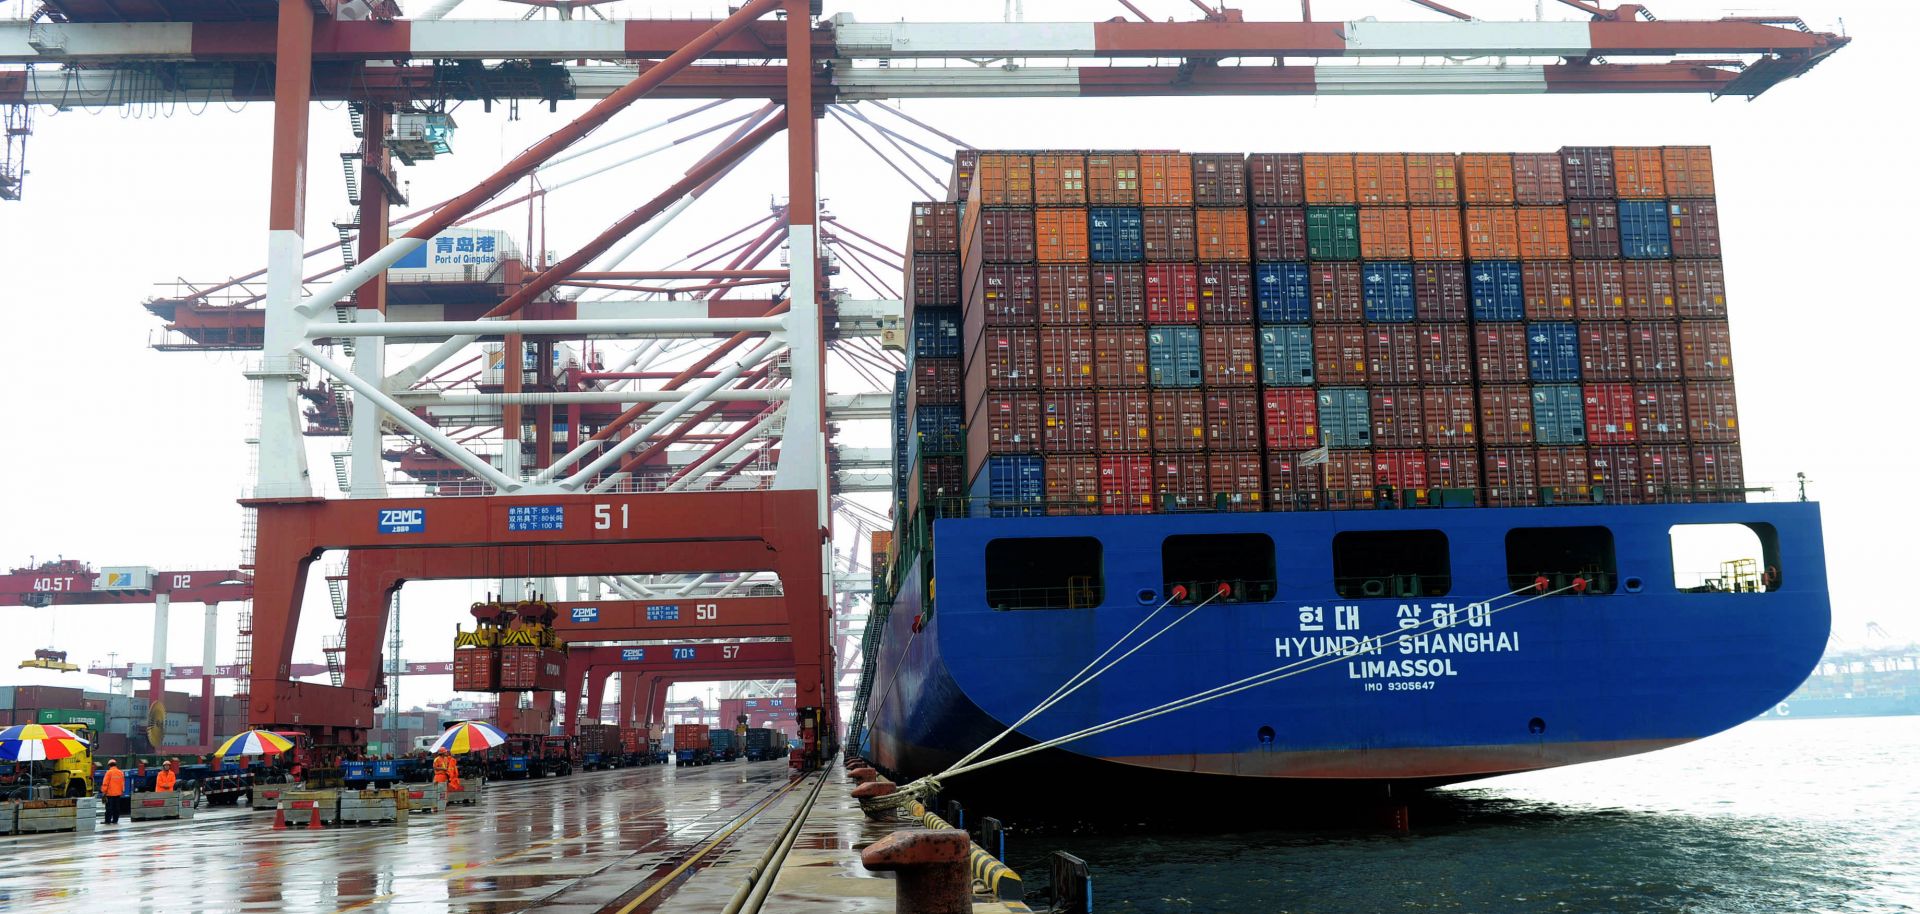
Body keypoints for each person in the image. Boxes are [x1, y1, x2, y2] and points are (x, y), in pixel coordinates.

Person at [100, 760, 127, 824]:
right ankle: (115, 820)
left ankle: (107, 820)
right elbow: (122, 783)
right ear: (115, 765)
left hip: (110, 794)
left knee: (109, 808)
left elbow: (105, 783)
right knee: (116, 808)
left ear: (109, 765)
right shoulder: (120, 772)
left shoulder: (109, 772)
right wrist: (122, 790)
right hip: (118, 794)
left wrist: (103, 791)